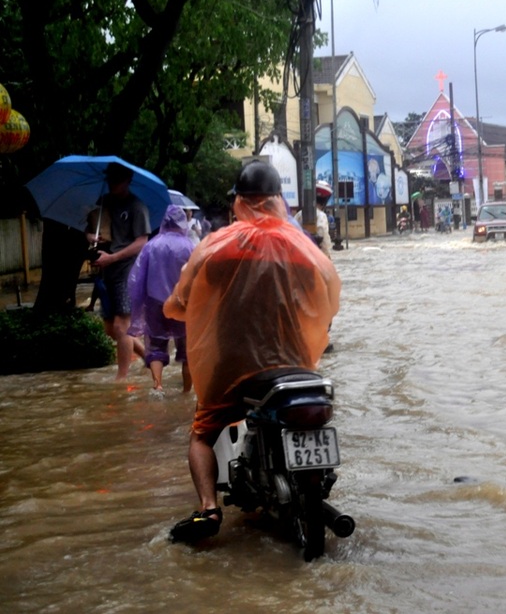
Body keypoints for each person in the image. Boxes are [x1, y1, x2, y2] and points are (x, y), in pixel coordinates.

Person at [164, 161, 340, 544]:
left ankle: (209, 508)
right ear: (279, 200)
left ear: (239, 201)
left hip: (234, 368)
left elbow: (181, 301)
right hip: (296, 365)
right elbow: (328, 302)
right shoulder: (303, 247)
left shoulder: (217, 246)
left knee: (201, 433)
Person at [85, 162, 150, 380]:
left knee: (122, 327)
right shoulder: (103, 203)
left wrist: (113, 257)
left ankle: (121, 381)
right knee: (110, 328)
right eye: (110, 179)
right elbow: (90, 227)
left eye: (117, 179)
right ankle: (149, 357)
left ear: (128, 181)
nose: (113, 183)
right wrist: (90, 237)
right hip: (106, 270)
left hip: (127, 270)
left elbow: (142, 241)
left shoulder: (136, 207)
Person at [126, 205, 197, 391]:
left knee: (156, 346)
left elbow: (137, 278)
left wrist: (139, 303)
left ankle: (158, 386)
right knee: (188, 351)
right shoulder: (190, 246)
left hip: (155, 303)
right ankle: (186, 392)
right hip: (183, 304)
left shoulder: (152, 245)